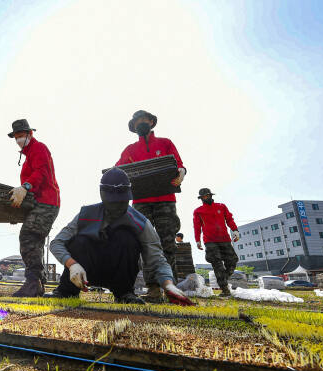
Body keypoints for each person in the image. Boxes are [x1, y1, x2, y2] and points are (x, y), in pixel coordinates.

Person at [47, 168, 193, 305]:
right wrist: (72, 264)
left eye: (121, 202)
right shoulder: (86, 215)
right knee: (80, 241)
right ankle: (66, 291)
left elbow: (156, 259)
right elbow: (56, 243)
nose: (117, 206)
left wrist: (168, 285)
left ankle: (124, 293)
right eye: (112, 202)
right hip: (83, 274)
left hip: (118, 273)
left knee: (126, 237)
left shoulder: (140, 223)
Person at [116, 110, 186, 285]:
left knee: (167, 243)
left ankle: (171, 287)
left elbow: (178, 163)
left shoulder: (165, 143)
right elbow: (118, 170)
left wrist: (181, 172)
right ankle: (153, 288)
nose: (141, 123)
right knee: (144, 243)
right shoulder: (130, 150)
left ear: (151, 122)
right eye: (137, 121)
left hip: (166, 200)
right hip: (141, 202)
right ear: (133, 126)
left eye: (144, 119)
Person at [7, 119, 60, 297]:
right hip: (38, 204)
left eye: (21, 135)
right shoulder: (28, 157)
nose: (19, 139)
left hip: (47, 201)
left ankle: (33, 282)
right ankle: (36, 284)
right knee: (35, 242)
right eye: (16, 137)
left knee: (28, 236)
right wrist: (18, 212)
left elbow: (42, 172)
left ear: (30, 134)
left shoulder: (39, 148)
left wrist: (26, 187)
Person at [193, 188, 240, 296]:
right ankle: (225, 289)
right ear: (201, 199)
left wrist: (235, 230)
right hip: (210, 241)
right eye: (203, 197)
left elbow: (229, 219)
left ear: (211, 196)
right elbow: (197, 226)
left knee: (233, 260)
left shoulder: (221, 206)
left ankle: (223, 278)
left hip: (224, 239)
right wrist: (197, 240)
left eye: (207, 196)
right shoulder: (198, 211)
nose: (206, 198)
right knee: (217, 264)